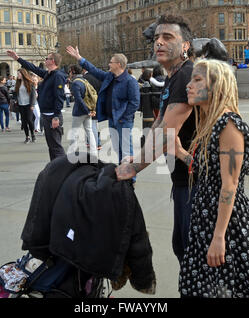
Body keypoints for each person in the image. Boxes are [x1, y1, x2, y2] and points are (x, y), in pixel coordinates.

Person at [176, 58, 249, 298]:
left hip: (227, 225)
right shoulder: (209, 123)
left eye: (197, 80)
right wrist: (180, 153)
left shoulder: (228, 125)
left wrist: (219, 237)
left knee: (232, 286)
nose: (189, 85)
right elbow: (208, 170)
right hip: (206, 220)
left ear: (217, 86)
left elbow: (229, 184)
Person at [115, 14, 197, 264]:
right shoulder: (174, 77)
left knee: (191, 253)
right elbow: (160, 123)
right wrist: (137, 157)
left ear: (185, 46)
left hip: (197, 183)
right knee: (182, 246)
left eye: (168, 37)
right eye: (157, 38)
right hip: (183, 179)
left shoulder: (187, 75)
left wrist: (133, 167)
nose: (158, 42)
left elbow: (166, 134)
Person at [65, 47, 140, 165]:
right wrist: (79, 58)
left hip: (123, 120)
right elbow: (94, 70)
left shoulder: (130, 81)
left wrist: (124, 117)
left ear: (119, 64)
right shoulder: (110, 77)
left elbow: (135, 102)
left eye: (111, 62)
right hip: (112, 119)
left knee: (126, 150)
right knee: (117, 148)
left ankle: (130, 179)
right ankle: (123, 171)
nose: (109, 64)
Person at [7, 50, 67, 161]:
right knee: (51, 146)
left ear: (52, 61)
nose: (45, 60)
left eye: (47, 58)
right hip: (46, 114)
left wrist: (56, 116)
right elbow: (33, 68)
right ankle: (54, 168)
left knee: (56, 146)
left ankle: (63, 170)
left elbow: (59, 97)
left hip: (52, 115)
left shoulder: (57, 76)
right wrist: (18, 58)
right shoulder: (48, 74)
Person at [67, 64, 97, 158]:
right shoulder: (84, 80)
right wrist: (90, 110)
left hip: (80, 111)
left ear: (73, 72)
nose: (70, 73)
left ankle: (72, 152)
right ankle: (94, 152)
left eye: (70, 71)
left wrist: (86, 110)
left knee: (74, 132)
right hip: (88, 109)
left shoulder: (76, 83)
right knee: (89, 131)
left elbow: (78, 99)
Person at [14, 69, 36, 144]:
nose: (18, 75)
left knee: (30, 120)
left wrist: (32, 104)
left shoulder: (30, 83)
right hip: (21, 105)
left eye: (19, 74)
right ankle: (27, 137)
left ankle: (32, 134)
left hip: (28, 104)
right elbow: (16, 93)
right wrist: (15, 99)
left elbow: (33, 95)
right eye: (17, 74)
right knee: (24, 121)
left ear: (23, 74)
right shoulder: (17, 83)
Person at [82, 67, 102, 150]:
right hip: (98, 102)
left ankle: (95, 143)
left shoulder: (85, 78)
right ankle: (96, 142)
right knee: (95, 124)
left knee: (91, 125)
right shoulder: (98, 77)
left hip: (89, 103)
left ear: (83, 70)